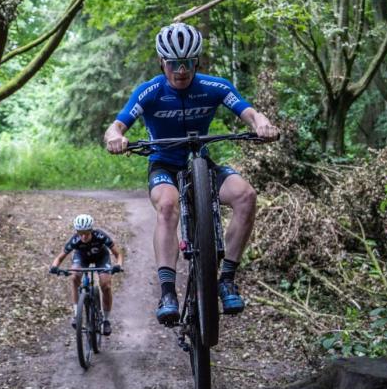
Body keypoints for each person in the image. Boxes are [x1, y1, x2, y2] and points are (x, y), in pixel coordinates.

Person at [103, 22, 279, 326]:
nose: (181, 70)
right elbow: (116, 126)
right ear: (162, 62)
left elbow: (249, 112)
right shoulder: (150, 91)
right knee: (167, 205)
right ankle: (167, 293)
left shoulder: (215, 86)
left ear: (196, 61)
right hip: (164, 165)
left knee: (246, 196)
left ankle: (227, 280)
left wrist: (261, 124)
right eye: (174, 63)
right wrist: (115, 138)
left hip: (201, 161)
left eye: (187, 62)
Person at [48, 214, 123, 335]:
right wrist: (54, 267)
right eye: (80, 233)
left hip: (101, 257)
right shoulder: (75, 240)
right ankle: (76, 315)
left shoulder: (100, 236)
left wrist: (118, 265)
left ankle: (106, 320)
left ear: (91, 230)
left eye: (86, 233)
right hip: (82, 258)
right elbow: (59, 257)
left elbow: (118, 254)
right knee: (74, 277)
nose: (83, 236)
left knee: (106, 285)